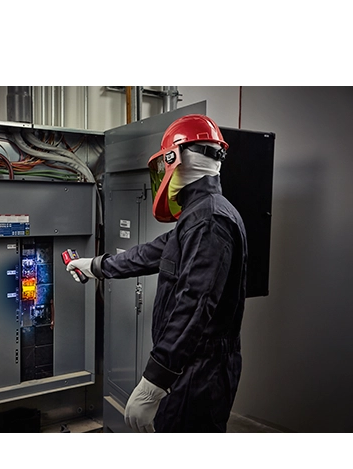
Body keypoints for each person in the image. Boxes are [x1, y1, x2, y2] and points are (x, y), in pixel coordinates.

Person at [67, 114, 247, 433]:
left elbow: (193, 306)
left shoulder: (209, 220)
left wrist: (154, 381)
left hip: (199, 371)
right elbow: (147, 254)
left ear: (175, 158)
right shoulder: (200, 215)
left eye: (164, 163)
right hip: (190, 365)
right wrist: (94, 266)